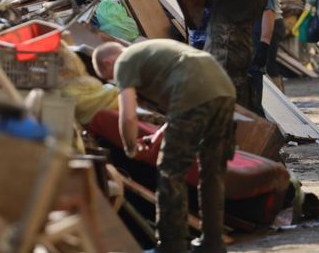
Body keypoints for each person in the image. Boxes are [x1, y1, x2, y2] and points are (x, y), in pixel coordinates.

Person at [92, 39, 235, 253]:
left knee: (171, 172)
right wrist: (160, 133)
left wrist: (130, 148)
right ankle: (213, 242)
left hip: (192, 94)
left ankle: (171, 244)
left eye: (111, 79)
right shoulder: (150, 51)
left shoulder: (123, 62)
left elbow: (128, 116)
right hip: (223, 89)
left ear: (109, 61)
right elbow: (186, 101)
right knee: (212, 171)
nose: (116, 82)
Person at [264, 0, 286, 92]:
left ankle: (279, 98)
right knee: (270, 62)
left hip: (271, 20)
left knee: (268, 64)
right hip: (277, 20)